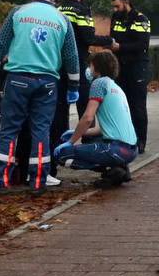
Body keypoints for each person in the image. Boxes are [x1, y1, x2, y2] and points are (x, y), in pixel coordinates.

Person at [0, 0, 80, 194]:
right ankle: (38, 182)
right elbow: (71, 57)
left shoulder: (18, 12)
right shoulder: (62, 19)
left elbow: (0, 45)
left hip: (18, 79)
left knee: (9, 130)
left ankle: (1, 180)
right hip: (47, 83)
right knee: (41, 130)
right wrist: (74, 86)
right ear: (53, 2)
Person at [54, 51, 138, 186]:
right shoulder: (115, 87)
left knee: (62, 155)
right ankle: (119, 168)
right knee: (89, 141)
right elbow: (104, 128)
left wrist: (71, 141)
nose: (89, 69)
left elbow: (88, 117)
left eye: (91, 65)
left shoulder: (99, 84)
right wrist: (79, 133)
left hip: (116, 149)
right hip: (131, 150)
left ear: (97, 67)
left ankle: (113, 171)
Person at [52, 0, 107, 171]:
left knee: (60, 108)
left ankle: (59, 150)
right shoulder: (81, 10)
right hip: (78, 63)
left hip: (58, 66)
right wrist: (109, 41)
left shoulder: (57, 10)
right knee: (85, 106)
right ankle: (89, 148)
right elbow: (89, 38)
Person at [109, 0, 151, 153]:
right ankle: (125, 138)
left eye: (117, 6)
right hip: (120, 67)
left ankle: (140, 141)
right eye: (113, 7)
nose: (115, 9)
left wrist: (121, 47)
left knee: (138, 106)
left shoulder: (141, 19)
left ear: (125, 2)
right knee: (121, 105)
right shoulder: (116, 18)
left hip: (137, 67)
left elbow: (142, 44)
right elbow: (113, 37)